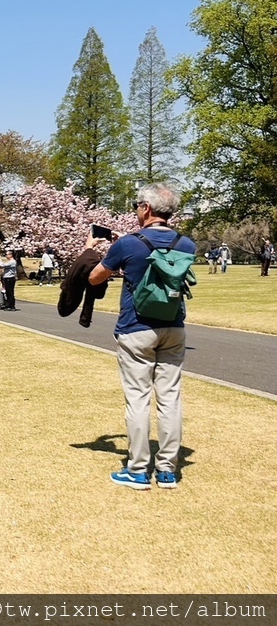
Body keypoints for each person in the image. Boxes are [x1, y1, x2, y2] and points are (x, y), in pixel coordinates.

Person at [88, 182, 197, 490]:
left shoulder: (128, 244)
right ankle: (166, 470)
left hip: (136, 328)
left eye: (137, 205)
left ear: (146, 209)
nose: (135, 210)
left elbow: (95, 276)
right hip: (174, 327)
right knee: (170, 398)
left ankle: (137, 470)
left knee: (138, 399)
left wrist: (103, 250)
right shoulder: (186, 244)